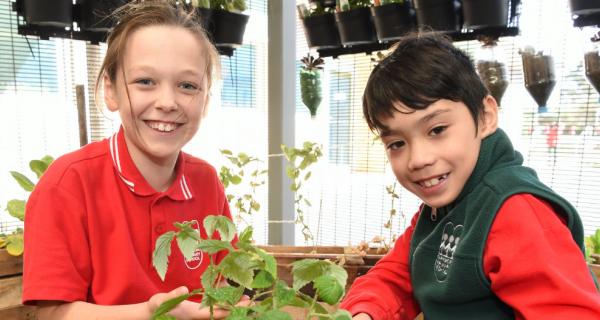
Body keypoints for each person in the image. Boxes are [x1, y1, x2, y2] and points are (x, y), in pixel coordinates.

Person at [339, 33, 600, 319]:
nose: (418, 159)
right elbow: (398, 275)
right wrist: (365, 312)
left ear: (486, 116)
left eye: (437, 130)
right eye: (396, 144)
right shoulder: (443, 208)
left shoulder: (514, 212)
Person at [22, 1, 247, 319]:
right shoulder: (68, 184)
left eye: (187, 85)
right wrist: (150, 312)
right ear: (111, 90)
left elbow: (228, 284)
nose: (167, 102)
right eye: (145, 81)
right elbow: (50, 314)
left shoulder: (206, 181)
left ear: (206, 100)